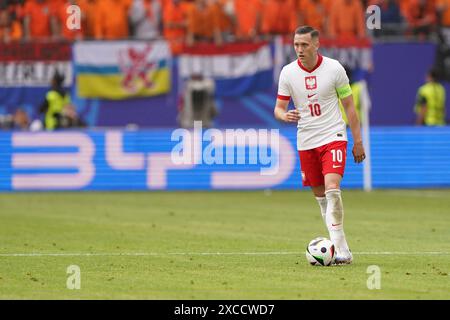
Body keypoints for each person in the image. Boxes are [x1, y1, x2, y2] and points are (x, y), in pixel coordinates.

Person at [273, 26, 366, 265]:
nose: (299, 49)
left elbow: (350, 107)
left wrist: (358, 141)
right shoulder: (288, 73)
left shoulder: (335, 69)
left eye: (304, 45)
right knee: (321, 197)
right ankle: (340, 249)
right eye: (296, 44)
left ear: (316, 45)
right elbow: (278, 108)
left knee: (332, 188)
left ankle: (342, 250)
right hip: (306, 140)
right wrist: (284, 116)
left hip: (333, 135)